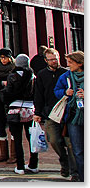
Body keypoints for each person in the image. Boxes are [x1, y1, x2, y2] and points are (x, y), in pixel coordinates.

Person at [33, 48, 78, 181]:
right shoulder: (41, 75)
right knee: (54, 140)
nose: (55, 61)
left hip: (67, 112)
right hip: (51, 113)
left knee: (70, 143)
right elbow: (38, 94)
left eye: (56, 59)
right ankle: (64, 162)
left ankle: (74, 171)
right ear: (46, 60)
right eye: (51, 59)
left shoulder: (67, 73)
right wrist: (37, 112)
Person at [1, 53, 38, 175]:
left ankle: (20, 166)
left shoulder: (12, 76)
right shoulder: (33, 77)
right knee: (31, 137)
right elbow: (36, 94)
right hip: (29, 109)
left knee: (17, 139)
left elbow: (8, 93)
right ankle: (33, 164)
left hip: (15, 109)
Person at [54, 51, 84, 182]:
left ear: (80, 63)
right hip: (73, 117)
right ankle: (83, 177)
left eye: (71, 62)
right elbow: (57, 91)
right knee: (77, 150)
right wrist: (65, 92)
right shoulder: (66, 76)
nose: (68, 65)